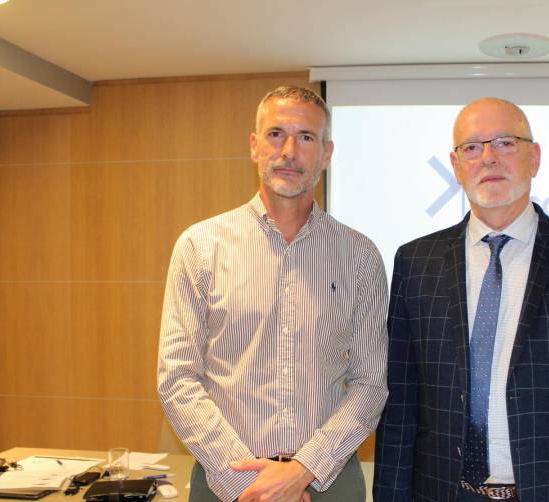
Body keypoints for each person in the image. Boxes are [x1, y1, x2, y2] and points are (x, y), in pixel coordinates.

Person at [374, 97, 549, 501]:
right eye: (472, 147)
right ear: (456, 165)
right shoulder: (415, 262)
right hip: (444, 492)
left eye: (504, 143)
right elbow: (401, 404)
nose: (488, 158)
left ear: (533, 157)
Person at [157, 85, 388, 502]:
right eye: (276, 134)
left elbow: (370, 383)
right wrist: (251, 485)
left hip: (328, 483)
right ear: (254, 145)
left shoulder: (361, 256)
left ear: (326, 153)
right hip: (226, 481)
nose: (290, 151)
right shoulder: (200, 246)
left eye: (306, 137)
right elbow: (177, 379)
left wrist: (303, 470)